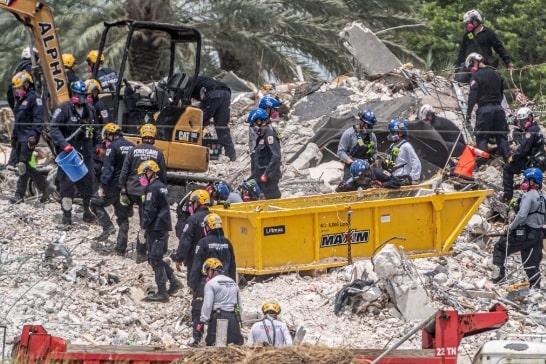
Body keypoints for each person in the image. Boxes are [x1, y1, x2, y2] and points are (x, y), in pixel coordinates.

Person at [49, 80, 101, 225]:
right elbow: (53, 128)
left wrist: (98, 145)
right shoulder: (64, 109)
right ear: (73, 94)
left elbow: (96, 129)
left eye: (84, 95)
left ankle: (87, 211)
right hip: (70, 155)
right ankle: (66, 215)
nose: (81, 97)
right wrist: (64, 144)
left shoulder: (89, 110)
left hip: (86, 153)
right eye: (79, 94)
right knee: (66, 184)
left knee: (88, 183)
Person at [118, 123, 167, 262]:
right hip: (147, 192)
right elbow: (162, 175)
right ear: (154, 137)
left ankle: (120, 247)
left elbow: (125, 170)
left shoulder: (133, 150)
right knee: (144, 223)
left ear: (142, 136)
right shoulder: (158, 153)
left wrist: (122, 187)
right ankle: (141, 252)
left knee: (123, 218)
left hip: (131, 190)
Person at [187, 214, 236, 346]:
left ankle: (197, 338)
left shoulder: (203, 243)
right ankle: (221, 340)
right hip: (226, 284)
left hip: (207, 283)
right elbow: (232, 266)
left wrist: (192, 284)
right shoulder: (227, 243)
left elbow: (196, 265)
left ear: (208, 227)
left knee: (199, 309)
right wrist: (233, 284)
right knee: (223, 311)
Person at [491, 168, 545, 289]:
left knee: (500, 247)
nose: (524, 182)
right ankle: (535, 287)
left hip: (525, 233)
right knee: (531, 262)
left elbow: (522, 215)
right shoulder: (543, 197)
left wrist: (511, 227)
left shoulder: (528, 196)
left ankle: (498, 277)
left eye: (526, 179)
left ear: (532, 181)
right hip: (538, 234)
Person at [137, 160, 182, 302]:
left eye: (144, 174)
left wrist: (143, 227)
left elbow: (150, 210)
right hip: (161, 227)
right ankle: (174, 282)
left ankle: (162, 292)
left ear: (150, 172)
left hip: (156, 228)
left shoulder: (152, 189)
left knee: (155, 259)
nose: (142, 178)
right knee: (156, 258)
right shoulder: (161, 186)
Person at [172, 189, 211, 345]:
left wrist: (178, 258)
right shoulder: (214, 218)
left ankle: (197, 335)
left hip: (196, 266)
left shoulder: (193, 220)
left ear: (198, 203)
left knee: (198, 300)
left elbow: (185, 241)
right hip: (215, 269)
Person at [8, 71, 53, 204]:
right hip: (20, 137)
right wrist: (14, 136)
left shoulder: (34, 98)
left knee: (23, 165)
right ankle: (46, 187)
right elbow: (18, 121)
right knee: (26, 165)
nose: (17, 90)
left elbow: (38, 119)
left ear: (27, 84)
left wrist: (34, 136)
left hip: (28, 137)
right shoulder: (20, 100)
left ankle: (19, 195)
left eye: (19, 87)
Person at [90, 123, 135, 245]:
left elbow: (108, 169)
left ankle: (107, 226)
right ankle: (121, 247)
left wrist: (102, 187)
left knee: (94, 203)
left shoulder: (113, 147)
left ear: (110, 134)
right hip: (128, 187)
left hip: (113, 186)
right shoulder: (132, 146)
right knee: (123, 217)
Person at [465, 52, 510, 169]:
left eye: (471, 66)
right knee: (502, 137)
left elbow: (472, 96)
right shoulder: (496, 74)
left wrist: (468, 113)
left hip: (485, 110)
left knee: (482, 137)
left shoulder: (476, 76)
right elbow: (501, 94)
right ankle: (509, 161)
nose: (471, 69)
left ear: (475, 62)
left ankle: (481, 164)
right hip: (499, 109)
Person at [455, 9, 513, 83]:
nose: (467, 24)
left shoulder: (489, 33)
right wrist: (457, 68)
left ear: (476, 20)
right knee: (458, 81)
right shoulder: (467, 35)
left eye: (469, 22)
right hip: (469, 67)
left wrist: (508, 62)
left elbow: (499, 48)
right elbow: (462, 53)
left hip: (484, 66)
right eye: (467, 23)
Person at [188, 76, 236, 161]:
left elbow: (186, 104)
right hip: (226, 93)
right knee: (221, 126)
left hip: (213, 93)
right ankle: (231, 154)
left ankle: (190, 149)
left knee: (198, 122)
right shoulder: (201, 80)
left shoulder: (187, 84)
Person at [198, 258, 243, 346]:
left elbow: (208, 305)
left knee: (214, 345)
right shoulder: (232, 282)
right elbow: (239, 305)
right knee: (235, 345)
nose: (207, 275)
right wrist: (239, 318)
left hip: (218, 317)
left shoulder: (211, 284)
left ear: (211, 270)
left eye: (207, 272)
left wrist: (203, 320)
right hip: (234, 317)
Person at [502, 107, 544, 202]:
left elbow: (523, 150)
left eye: (524, 121)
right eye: (521, 121)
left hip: (533, 162)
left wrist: (512, 158)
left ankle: (508, 197)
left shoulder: (530, 132)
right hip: (540, 161)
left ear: (530, 118)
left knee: (507, 168)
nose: (522, 123)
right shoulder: (536, 128)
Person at [247, 108, 282, 199]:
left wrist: (267, 174)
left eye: (253, 124)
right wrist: (253, 174)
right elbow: (258, 157)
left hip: (269, 180)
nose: (253, 127)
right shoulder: (261, 137)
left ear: (260, 121)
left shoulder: (269, 135)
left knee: (272, 201)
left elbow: (276, 156)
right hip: (261, 178)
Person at [337, 109, 378, 180]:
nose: (370, 129)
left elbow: (375, 152)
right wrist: (352, 163)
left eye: (371, 126)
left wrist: (372, 159)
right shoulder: (349, 133)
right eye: (368, 126)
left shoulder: (372, 136)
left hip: (365, 169)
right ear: (361, 122)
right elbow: (340, 152)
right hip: (351, 167)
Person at [85, 78, 112, 184]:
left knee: (97, 166)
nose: (90, 96)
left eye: (92, 93)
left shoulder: (100, 105)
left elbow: (106, 124)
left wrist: (105, 141)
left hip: (100, 139)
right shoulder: (89, 106)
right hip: (92, 139)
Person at [384, 119, 421, 185]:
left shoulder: (406, 146)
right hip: (394, 178)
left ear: (401, 133)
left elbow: (416, 162)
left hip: (403, 178)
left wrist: (412, 178)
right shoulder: (392, 146)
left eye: (393, 132)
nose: (391, 135)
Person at [336, 159, 401, 192]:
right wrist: (341, 187)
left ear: (367, 172)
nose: (360, 182)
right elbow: (350, 187)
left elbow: (397, 182)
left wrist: (383, 184)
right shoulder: (355, 179)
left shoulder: (379, 173)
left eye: (361, 179)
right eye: (358, 180)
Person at [7, 47, 38, 111]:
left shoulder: (17, 67)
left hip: (16, 101)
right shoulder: (29, 67)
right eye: (35, 56)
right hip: (27, 99)